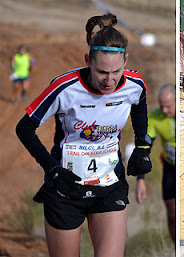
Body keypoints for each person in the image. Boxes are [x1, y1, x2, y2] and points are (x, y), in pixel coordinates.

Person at [15, 12, 152, 257]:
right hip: (65, 190)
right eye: (101, 72)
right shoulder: (64, 88)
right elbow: (24, 127)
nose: (109, 81)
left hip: (110, 185)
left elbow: (140, 103)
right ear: (88, 60)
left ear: (126, 60)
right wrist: (52, 169)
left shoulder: (134, 84)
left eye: (116, 72)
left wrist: (142, 145)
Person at [135, 84, 176, 243]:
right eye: (162, 107)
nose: (164, 111)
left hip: (179, 167)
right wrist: (140, 179)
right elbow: (145, 149)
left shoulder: (179, 115)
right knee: (171, 213)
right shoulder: (155, 117)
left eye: (168, 107)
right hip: (169, 167)